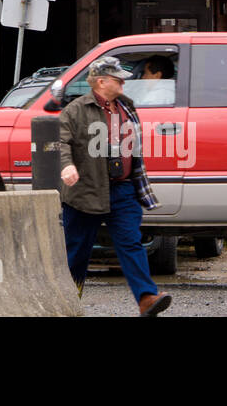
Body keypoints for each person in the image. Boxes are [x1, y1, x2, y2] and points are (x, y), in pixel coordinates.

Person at [57, 55, 172, 316]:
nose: (123, 82)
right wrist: (67, 165)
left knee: (131, 243)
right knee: (76, 254)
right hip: (85, 192)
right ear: (101, 81)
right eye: (118, 78)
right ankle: (68, 304)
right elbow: (62, 143)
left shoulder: (126, 106)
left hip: (123, 190)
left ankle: (146, 298)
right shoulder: (75, 110)